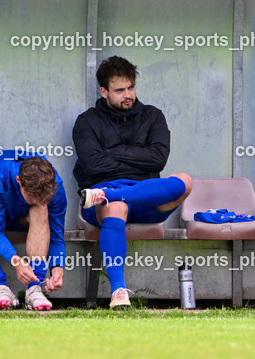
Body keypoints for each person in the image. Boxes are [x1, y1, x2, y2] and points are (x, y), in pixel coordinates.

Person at [72, 55, 193, 308]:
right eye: (119, 90)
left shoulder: (152, 116)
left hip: (144, 199)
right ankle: (118, 292)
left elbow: (158, 159)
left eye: (131, 87)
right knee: (116, 206)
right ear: (104, 91)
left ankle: (114, 195)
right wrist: (138, 158)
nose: (127, 95)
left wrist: (111, 152)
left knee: (184, 181)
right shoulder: (87, 121)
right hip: (103, 202)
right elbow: (93, 166)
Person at [0, 151, 67, 311]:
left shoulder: (56, 185)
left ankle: (35, 289)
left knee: (41, 208)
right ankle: (0, 288)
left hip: (21, 215)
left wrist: (58, 269)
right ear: (18, 181)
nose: (37, 199)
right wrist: (17, 262)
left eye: (44, 196)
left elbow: (57, 237)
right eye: (33, 196)